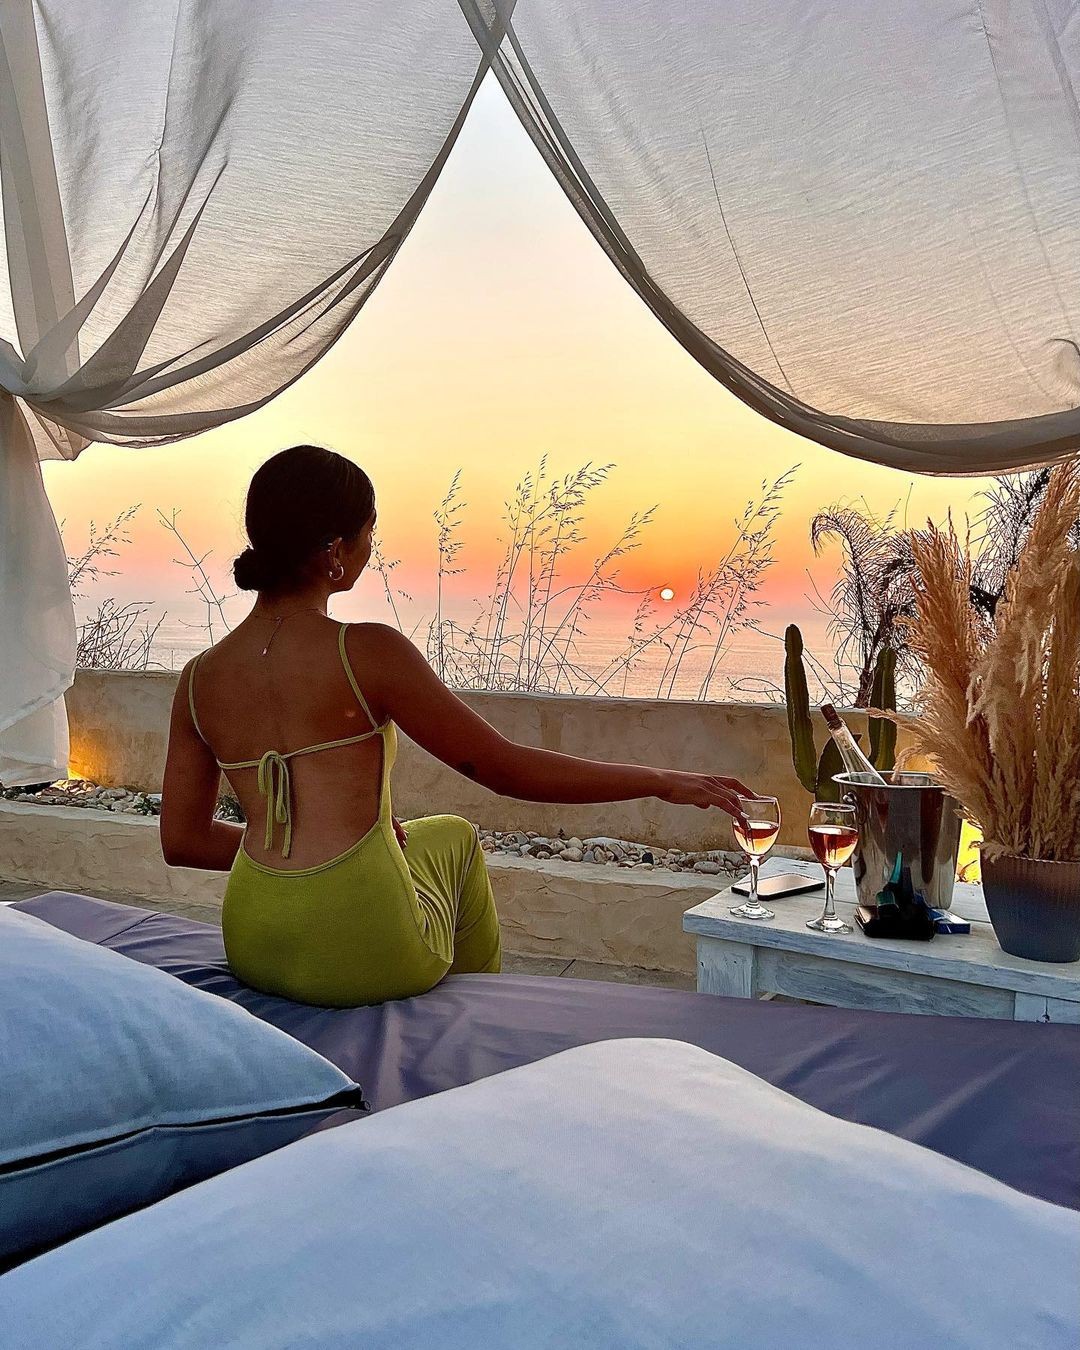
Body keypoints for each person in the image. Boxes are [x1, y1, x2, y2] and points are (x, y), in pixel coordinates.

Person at [161, 445, 760, 1007]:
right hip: (359, 944)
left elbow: (183, 842)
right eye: (370, 532)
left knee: (431, 836)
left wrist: (303, 850)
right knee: (457, 839)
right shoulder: (367, 652)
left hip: (253, 938)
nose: (371, 549)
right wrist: (661, 781)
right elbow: (504, 769)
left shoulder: (197, 679)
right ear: (335, 549)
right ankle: (474, 1021)